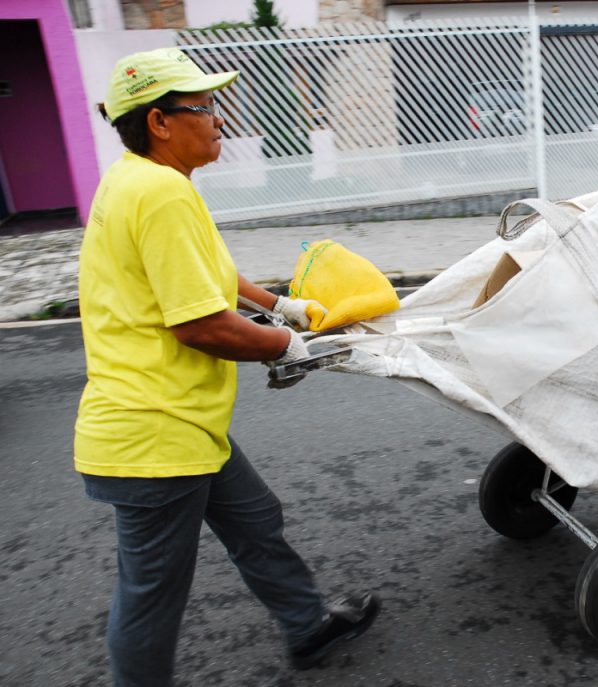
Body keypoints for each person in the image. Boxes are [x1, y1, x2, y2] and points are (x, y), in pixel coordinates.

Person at [74, 48, 379, 686]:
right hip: (155, 434)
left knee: (256, 519)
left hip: (184, 421)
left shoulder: (136, 176)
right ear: (159, 122)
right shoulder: (159, 192)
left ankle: (307, 626)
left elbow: (203, 275)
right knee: (151, 594)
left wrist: (280, 306)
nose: (219, 120)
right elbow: (199, 323)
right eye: (204, 107)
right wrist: (286, 346)